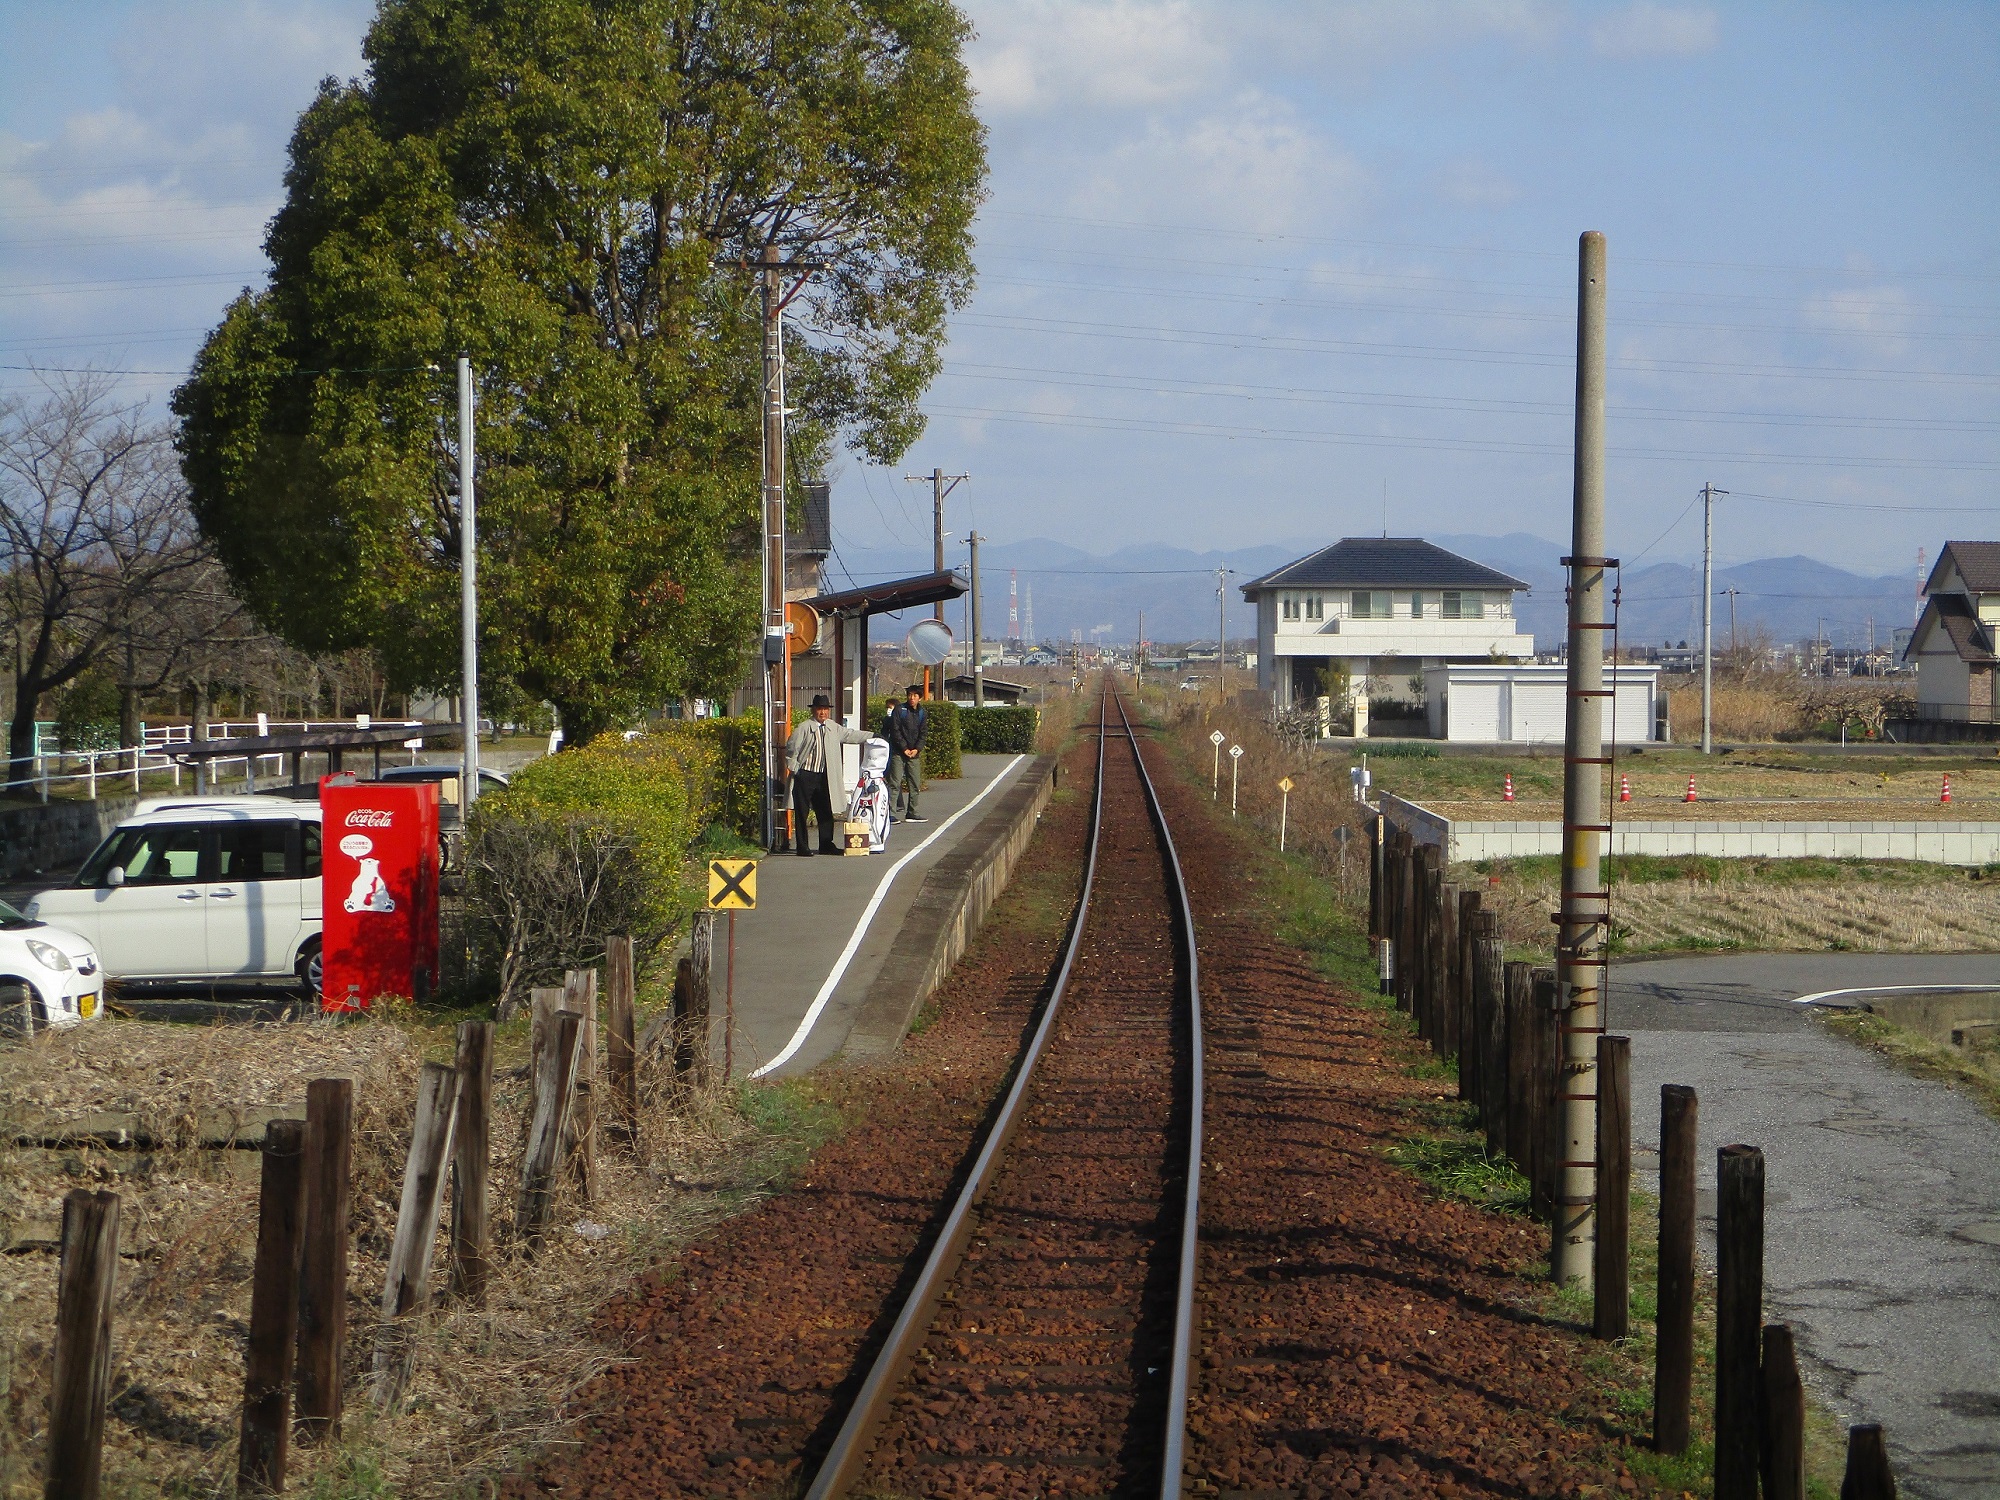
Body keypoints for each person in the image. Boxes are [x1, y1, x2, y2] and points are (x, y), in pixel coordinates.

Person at [785, 695, 871, 856]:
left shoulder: (832, 727)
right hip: (806, 774)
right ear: (813, 710)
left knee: (825, 811)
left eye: (825, 709)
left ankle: (826, 844)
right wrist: (795, 768)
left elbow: (849, 734)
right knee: (801, 811)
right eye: (819, 709)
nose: (822, 712)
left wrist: (871, 736)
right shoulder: (804, 727)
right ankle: (802, 847)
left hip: (824, 776)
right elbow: (791, 748)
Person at [883, 683, 930, 823]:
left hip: (914, 753)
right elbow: (895, 730)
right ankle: (890, 813)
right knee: (894, 783)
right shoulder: (899, 709)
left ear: (919, 698)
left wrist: (916, 749)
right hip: (899, 751)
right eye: (910, 695)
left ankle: (912, 812)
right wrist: (904, 748)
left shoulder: (922, 713)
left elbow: (923, 733)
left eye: (915, 695)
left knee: (914, 783)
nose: (912, 698)